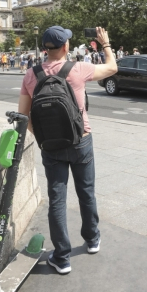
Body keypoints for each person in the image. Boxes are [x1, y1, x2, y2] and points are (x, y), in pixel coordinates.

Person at [18, 25, 117, 275]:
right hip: (80, 140)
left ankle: (62, 257)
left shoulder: (31, 75)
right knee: (86, 191)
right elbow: (112, 68)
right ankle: (92, 240)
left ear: (44, 48)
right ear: (66, 47)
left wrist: (43, 137)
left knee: (57, 199)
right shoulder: (78, 69)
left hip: (51, 146)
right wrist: (105, 44)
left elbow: (23, 116)